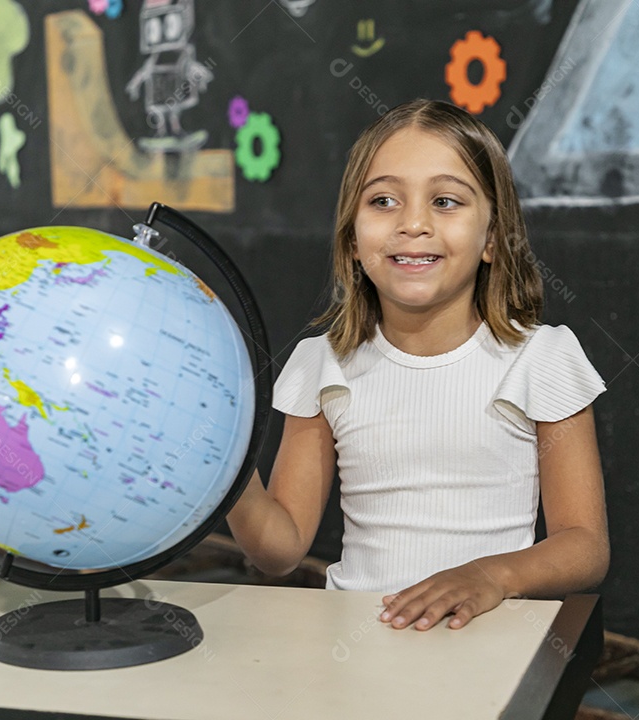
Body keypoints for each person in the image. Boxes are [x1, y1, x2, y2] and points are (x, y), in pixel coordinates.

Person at [226, 99, 609, 631]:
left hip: (481, 649)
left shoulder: (541, 357)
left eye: (446, 201)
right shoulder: (322, 362)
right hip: (357, 647)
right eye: (383, 200)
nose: (413, 223)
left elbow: (584, 545)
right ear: (353, 240)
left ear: (494, 238)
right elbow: (280, 549)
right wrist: (224, 466)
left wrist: (489, 577)